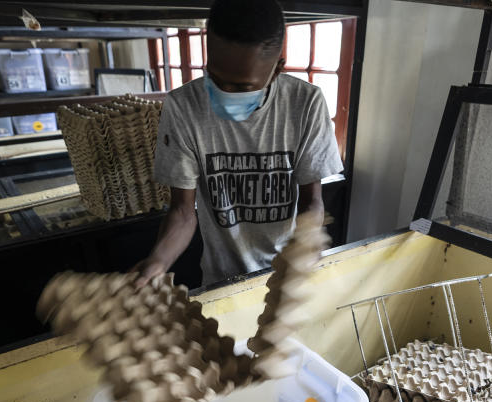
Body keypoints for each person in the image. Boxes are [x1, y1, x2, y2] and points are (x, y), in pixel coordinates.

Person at [133, 0, 343, 288]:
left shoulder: (304, 104)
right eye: (215, 77)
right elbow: (182, 212)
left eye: (242, 86)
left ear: (277, 68)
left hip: (285, 277)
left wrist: (305, 248)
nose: (224, 91)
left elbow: (311, 200)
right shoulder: (184, 107)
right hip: (222, 279)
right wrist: (156, 263)